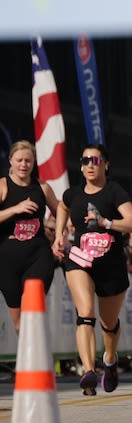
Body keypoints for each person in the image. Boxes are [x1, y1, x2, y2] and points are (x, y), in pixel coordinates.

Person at [53, 143, 132, 396]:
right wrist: (59, 234)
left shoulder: (115, 191)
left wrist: (106, 222)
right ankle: (88, 370)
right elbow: (62, 206)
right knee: (86, 311)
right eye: (85, 160)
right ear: (80, 166)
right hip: (79, 260)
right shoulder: (73, 194)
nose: (90, 164)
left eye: (95, 160)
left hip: (111, 264)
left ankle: (110, 360)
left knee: (108, 323)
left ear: (106, 164)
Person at [0, 140, 59, 334]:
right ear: (10, 160)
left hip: (37, 254)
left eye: (28, 161)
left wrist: (59, 236)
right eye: (19, 160)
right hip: (7, 257)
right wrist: (15, 209)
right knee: (19, 323)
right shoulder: (2, 186)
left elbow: (63, 213)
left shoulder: (42, 188)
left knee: (32, 311)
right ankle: (27, 362)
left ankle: (37, 360)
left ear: (34, 163)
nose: (23, 165)